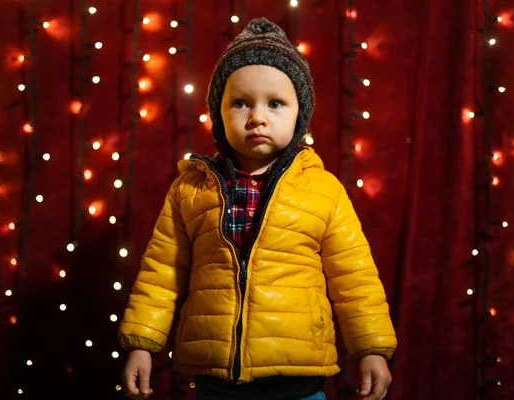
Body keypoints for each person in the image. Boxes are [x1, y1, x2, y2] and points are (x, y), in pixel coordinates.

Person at [118, 17, 397, 400]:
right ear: (218, 114)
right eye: (240, 103)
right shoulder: (190, 188)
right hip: (217, 379)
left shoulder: (323, 190)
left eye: (276, 103)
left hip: (299, 378)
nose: (257, 117)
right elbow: (162, 273)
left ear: (300, 114)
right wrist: (142, 345)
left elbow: (355, 279)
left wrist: (371, 349)